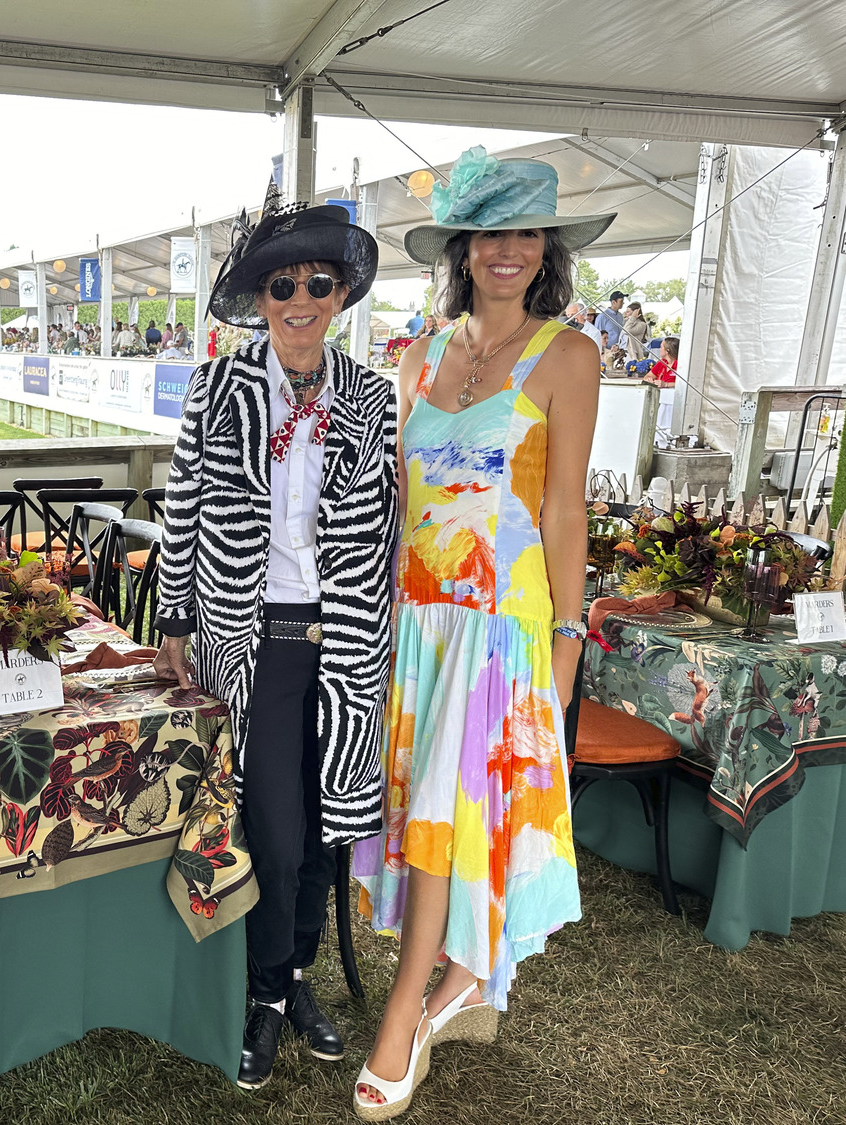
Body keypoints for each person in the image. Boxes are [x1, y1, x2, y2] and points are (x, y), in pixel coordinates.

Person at [348, 148, 607, 1119]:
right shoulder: (419, 355)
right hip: (419, 629)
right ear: (463, 246)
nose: (509, 251)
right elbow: (398, 509)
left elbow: (567, 513)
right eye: (491, 232)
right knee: (429, 813)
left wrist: (571, 639)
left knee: (441, 824)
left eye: (526, 232)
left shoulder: (567, 356)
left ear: (548, 248)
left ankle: (405, 1012)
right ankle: (460, 973)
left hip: (501, 630)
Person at [154, 198, 397, 1091]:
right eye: (282, 283)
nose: (301, 299)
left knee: (328, 820)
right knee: (272, 826)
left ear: (340, 296)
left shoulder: (371, 395)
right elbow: (183, 510)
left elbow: (384, 526)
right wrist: (173, 620)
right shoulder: (218, 388)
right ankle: (265, 988)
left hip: (345, 641)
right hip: (249, 638)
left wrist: (383, 634)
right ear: (260, 298)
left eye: (318, 283)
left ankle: (295, 979)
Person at [595, 289, 626, 354]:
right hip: (607, 351)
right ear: (613, 302)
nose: (623, 303)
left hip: (619, 349)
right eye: (621, 301)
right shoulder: (602, 316)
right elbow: (598, 334)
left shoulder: (620, 316)